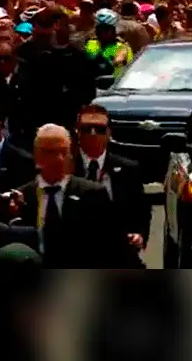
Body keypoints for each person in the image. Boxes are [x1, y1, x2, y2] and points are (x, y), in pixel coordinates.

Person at [11, 124, 124, 268]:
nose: (59, 158)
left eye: (64, 152)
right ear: (37, 155)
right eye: (51, 152)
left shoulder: (93, 194)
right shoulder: (22, 197)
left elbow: (112, 247)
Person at [8, 7, 97, 147]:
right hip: (31, 127)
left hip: (65, 125)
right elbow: (18, 89)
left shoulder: (75, 56)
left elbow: (87, 91)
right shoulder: (25, 53)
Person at [73, 104, 148, 268]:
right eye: (87, 128)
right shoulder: (67, 168)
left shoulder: (129, 170)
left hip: (119, 254)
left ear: (109, 133)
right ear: (77, 132)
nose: (93, 133)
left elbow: (141, 212)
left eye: (99, 129)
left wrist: (139, 235)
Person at [86, 8, 133, 78]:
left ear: (113, 30)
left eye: (107, 29)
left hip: (115, 85)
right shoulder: (91, 44)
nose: (103, 32)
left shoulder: (122, 47)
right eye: (101, 29)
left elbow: (130, 70)